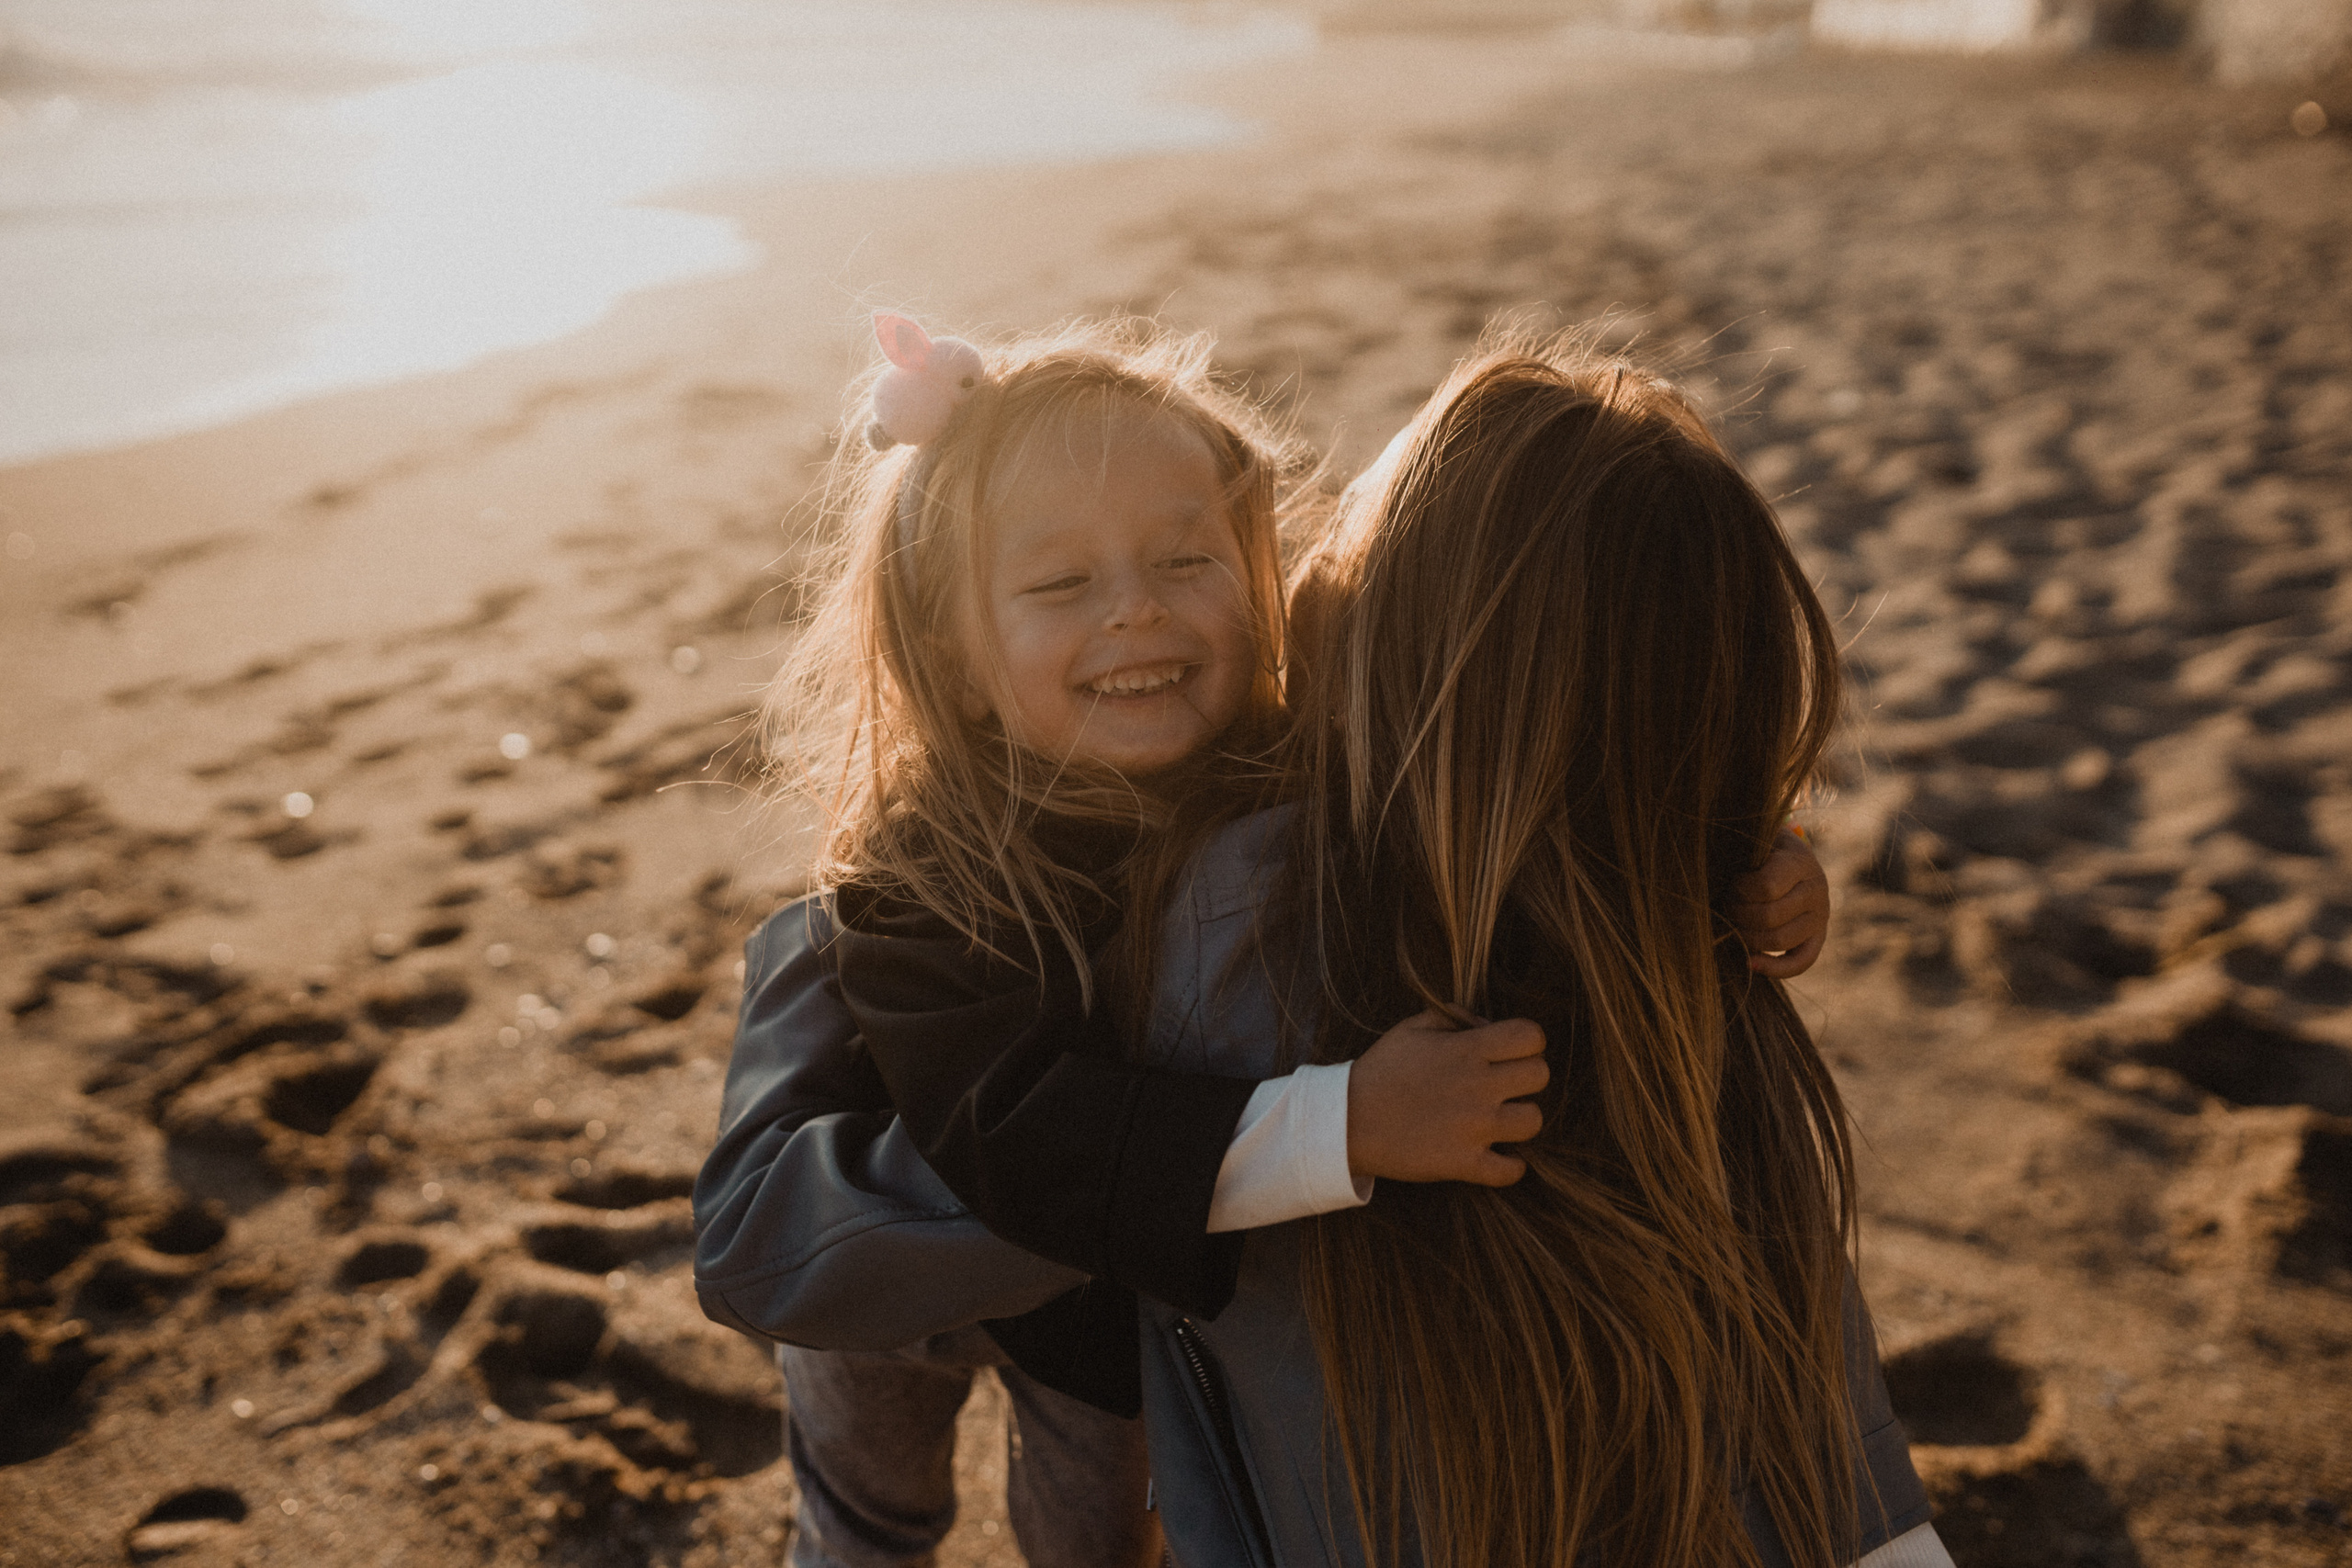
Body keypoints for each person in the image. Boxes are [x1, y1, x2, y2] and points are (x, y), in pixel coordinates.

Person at [692, 315, 1837, 1568]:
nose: (1135, 613)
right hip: (909, 1263)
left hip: (1112, 1288)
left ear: (1260, 564)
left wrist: (1746, 864)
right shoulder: (929, 890)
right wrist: (1341, 1124)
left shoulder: (1291, 775)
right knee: (869, 1510)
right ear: (957, 661)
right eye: (1062, 585)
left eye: (1188, 561)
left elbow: (1538, 777)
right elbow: (1014, 1133)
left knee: (1093, 1538)